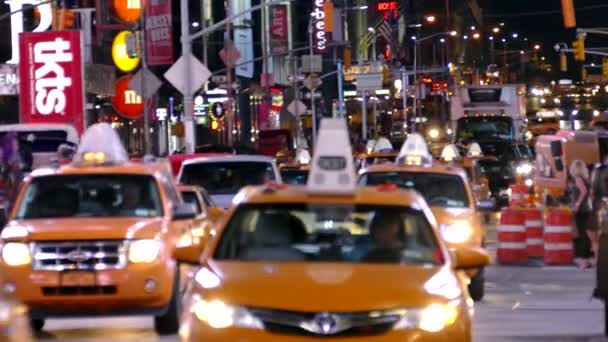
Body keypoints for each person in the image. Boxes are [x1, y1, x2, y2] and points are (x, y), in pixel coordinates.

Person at [568, 160, 593, 268]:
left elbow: (583, 192)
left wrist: (577, 204)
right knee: (586, 235)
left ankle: (582, 260)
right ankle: (586, 259)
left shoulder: (578, 179)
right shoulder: (586, 179)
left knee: (581, 234)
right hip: (587, 209)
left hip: (581, 210)